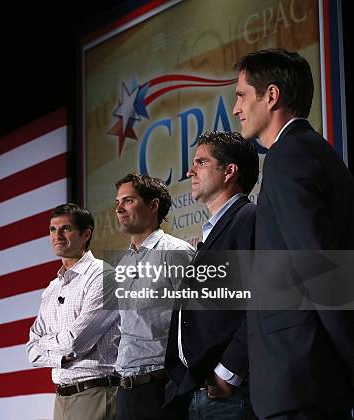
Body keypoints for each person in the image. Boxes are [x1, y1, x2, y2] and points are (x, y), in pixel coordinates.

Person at [233, 48, 354, 419]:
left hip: (300, 380)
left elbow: (320, 268)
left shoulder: (289, 158)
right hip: (305, 379)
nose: (236, 108)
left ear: (271, 96)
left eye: (241, 95)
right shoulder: (310, 152)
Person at [164, 131, 258, 419]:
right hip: (198, 390)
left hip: (229, 394)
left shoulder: (248, 218)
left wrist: (228, 371)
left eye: (201, 162)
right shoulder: (214, 230)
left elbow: (264, 301)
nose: (189, 171)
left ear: (230, 171)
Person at [26, 203, 119, 420]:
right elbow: (31, 350)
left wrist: (46, 343)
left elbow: (75, 342)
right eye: (52, 229)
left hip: (94, 393)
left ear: (86, 234)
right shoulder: (52, 288)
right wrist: (61, 355)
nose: (57, 235)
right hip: (61, 397)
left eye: (65, 229)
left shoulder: (103, 276)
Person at [113, 173, 194, 420]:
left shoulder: (176, 253)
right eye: (118, 202)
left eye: (128, 200)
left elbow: (200, 320)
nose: (118, 208)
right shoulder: (122, 263)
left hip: (162, 390)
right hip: (126, 392)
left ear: (154, 205)